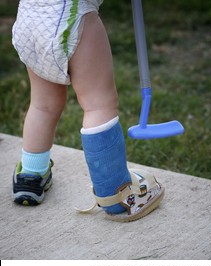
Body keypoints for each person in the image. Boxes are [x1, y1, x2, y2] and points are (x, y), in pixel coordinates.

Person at [11, 0, 164, 222]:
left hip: (31, 20)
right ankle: (116, 194)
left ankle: (31, 175)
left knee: (43, 104)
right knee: (98, 104)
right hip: (74, 15)